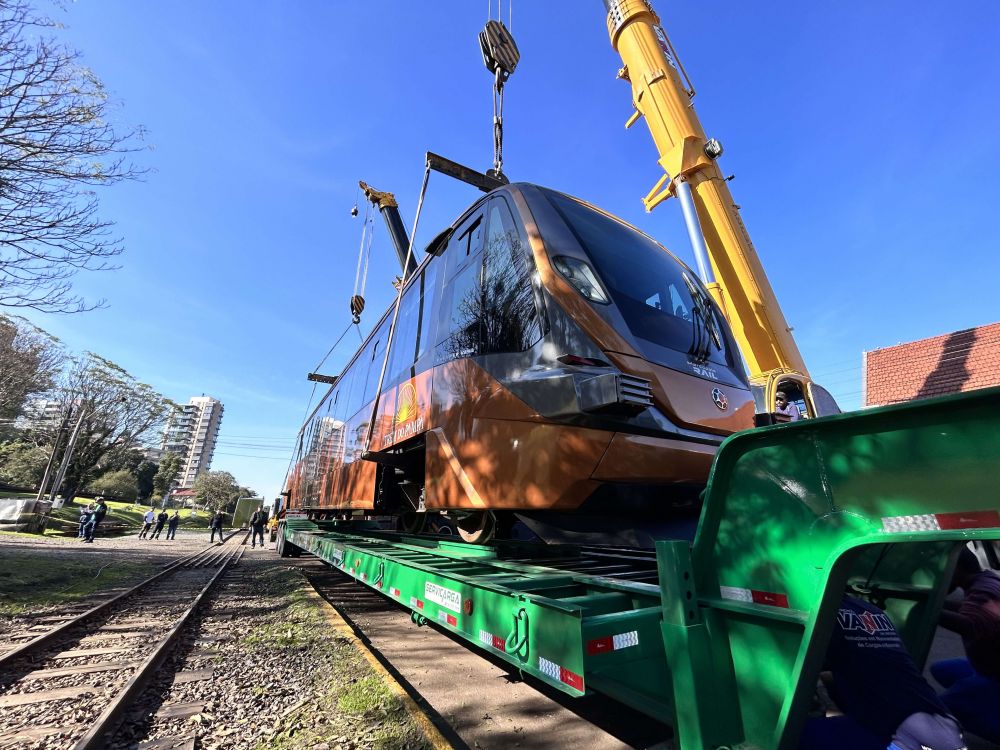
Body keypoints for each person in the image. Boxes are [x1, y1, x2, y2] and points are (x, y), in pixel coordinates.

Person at [799, 594, 965, 750]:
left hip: (904, 737)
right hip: (943, 726)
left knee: (790, 734)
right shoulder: (871, 610)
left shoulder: (819, 611)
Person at [930, 548, 1000, 742]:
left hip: (995, 675)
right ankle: (985, 700)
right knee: (942, 670)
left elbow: (972, 624)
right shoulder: (986, 579)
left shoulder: (983, 593)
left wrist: (930, 611)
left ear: (957, 569)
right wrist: (934, 603)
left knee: (945, 707)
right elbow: (968, 609)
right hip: (987, 667)